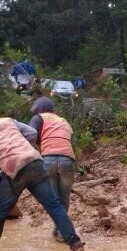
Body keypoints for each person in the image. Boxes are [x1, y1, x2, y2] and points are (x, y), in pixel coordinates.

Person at [0, 110, 87, 251]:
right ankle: (76, 244)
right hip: (35, 162)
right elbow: (31, 133)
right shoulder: (6, 121)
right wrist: (22, 148)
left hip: (13, 169)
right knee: (54, 205)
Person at [29, 97, 77, 241]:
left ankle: (62, 232)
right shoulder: (64, 121)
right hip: (68, 159)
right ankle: (60, 230)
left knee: (54, 200)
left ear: (40, 109)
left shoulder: (38, 118)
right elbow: (68, 139)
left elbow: (30, 134)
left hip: (48, 159)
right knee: (64, 197)